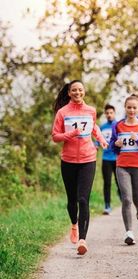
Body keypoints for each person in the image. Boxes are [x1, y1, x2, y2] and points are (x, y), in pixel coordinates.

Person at [52, 80, 107, 255]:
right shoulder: (62, 112)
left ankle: (82, 240)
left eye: (80, 90)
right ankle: (74, 224)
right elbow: (55, 136)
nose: (77, 92)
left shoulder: (91, 110)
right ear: (69, 93)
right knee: (72, 200)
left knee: (83, 199)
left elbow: (94, 127)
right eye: (74, 90)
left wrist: (101, 139)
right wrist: (71, 134)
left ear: (84, 92)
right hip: (68, 161)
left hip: (88, 159)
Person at [110, 94, 138, 245]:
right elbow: (112, 147)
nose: (132, 110)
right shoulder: (118, 125)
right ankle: (129, 232)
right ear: (125, 108)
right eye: (129, 107)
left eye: (134, 107)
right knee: (126, 199)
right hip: (122, 166)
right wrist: (116, 144)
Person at [99, 104, 121, 215]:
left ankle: (123, 199)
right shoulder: (102, 127)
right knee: (107, 183)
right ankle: (107, 205)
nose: (109, 115)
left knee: (119, 182)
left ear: (114, 113)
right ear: (105, 114)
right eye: (107, 113)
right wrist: (95, 144)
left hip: (118, 158)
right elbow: (99, 141)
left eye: (111, 113)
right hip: (106, 159)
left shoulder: (119, 125)